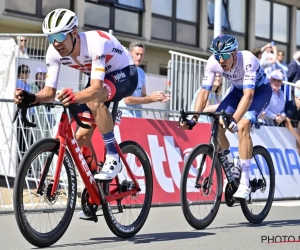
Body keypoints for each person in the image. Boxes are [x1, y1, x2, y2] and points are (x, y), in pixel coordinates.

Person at [13, 9, 138, 182]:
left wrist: (74, 96)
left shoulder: (96, 43)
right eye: (50, 38)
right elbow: (49, 92)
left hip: (125, 72)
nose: (55, 43)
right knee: (81, 137)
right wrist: (31, 98)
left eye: (59, 37)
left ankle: (113, 155)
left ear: (73, 33)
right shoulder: (54, 52)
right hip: (101, 79)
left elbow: (95, 89)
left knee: (95, 99)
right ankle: (97, 192)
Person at [180, 34, 272, 200]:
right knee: (218, 121)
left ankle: (245, 182)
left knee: (243, 126)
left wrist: (235, 119)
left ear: (234, 53)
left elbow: (249, 96)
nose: (221, 62)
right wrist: (193, 118)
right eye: (218, 57)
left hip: (259, 92)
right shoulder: (213, 62)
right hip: (237, 92)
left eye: (224, 58)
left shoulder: (248, 59)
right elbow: (204, 92)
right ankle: (231, 164)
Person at [118, 41, 170, 118]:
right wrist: (151, 99)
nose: (139, 57)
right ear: (130, 53)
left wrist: (156, 98)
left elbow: (143, 96)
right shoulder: (124, 70)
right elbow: (127, 100)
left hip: (138, 117)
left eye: (141, 55)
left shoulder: (141, 72)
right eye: (137, 54)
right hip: (124, 116)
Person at [284, 80, 300, 154]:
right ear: (295, 98)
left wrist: (298, 142)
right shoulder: (292, 105)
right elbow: (287, 122)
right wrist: (297, 137)